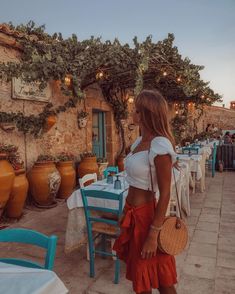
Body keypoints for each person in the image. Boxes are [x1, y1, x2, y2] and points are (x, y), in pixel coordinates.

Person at [113, 89, 178, 294]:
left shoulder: (160, 145)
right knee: (142, 279)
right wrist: (125, 211)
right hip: (133, 214)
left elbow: (165, 193)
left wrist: (153, 233)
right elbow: (133, 182)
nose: (133, 112)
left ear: (146, 114)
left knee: (163, 279)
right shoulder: (138, 143)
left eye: (137, 110)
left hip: (149, 218)